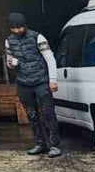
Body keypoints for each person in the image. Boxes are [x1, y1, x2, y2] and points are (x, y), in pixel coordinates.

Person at [4, 12, 61, 158]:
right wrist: (11, 63)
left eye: (19, 27)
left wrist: (53, 80)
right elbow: (9, 61)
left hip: (41, 81)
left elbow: (50, 59)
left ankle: (54, 145)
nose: (17, 31)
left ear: (24, 25)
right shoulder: (9, 41)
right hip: (23, 83)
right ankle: (40, 144)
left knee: (48, 113)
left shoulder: (38, 37)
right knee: (32, 115)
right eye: (14, 28)